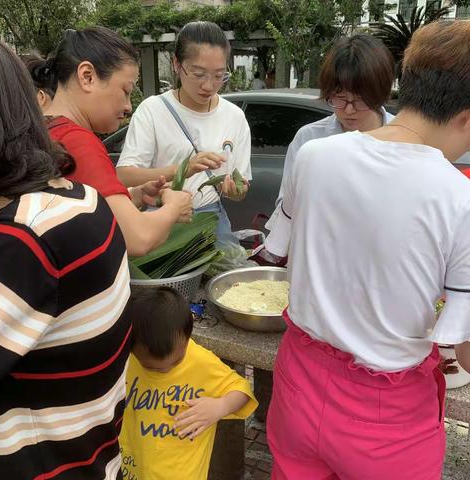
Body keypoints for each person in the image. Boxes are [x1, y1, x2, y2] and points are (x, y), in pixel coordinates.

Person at [265, 21, 470, 480]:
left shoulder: (317, 156)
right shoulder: (459, 198)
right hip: (385, 418)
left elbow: (279, 250)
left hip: (298, 383)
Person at [0, 36, 131, 478]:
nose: (129, 106)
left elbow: (141, 235)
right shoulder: (78, 196)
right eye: (126, 91)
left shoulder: (26, 239)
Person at [41, 27, 193, 257]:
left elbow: (78, 213)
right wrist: (173, 207)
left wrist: (134, 196)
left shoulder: (45, 129)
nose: (128, 106)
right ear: (87, 76)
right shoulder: (78, 143)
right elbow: (138, 238)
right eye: (126, 91)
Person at [116, 21, 252, 244]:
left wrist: (236, 191)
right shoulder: (153, 109)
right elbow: (124, 175)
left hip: (211, 223)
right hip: (161, 223)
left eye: (219, 75)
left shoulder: (234, 117)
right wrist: (182, 170)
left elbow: (242, 187)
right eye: (198, 74)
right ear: (177, 65)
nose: (209, 85)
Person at [119, 286, 258, 480]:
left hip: (184, 472)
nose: (165, 370)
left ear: (188, 333)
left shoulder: (201, 362)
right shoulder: (125, 357)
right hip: (134, 465)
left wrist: (221, 406)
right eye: (152, 367)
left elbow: (242, 392)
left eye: (175, 362)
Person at [266, 34, 395, 234]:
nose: (349, 110)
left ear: (381, 94)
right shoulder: (309, 138)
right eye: (340, 99)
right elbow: (285, 205)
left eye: (360, 100)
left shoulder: (403, 139)